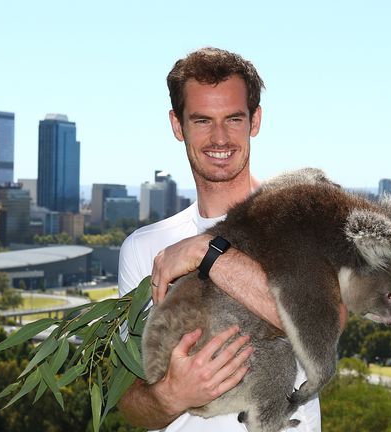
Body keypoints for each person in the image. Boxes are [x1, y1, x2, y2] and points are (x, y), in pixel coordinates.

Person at [117, 47, 339, 431]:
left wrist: (210, 252)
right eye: (202, 120)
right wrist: (172, 394)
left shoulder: (302, 219)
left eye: (233, 119)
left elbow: (325, 324)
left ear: (255, 120)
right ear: (177, 124)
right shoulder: (142, 248)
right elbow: (129, 405)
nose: (219, 137)